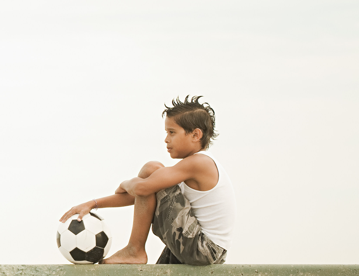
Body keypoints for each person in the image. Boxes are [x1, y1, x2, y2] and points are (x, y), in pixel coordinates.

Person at [59, 96, 236, 265]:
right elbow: (141, 196)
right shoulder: (186, 169)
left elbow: (142, 189)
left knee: (152, 168)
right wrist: (92, 204)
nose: (166, 139)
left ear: (196, 135)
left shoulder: (200, 163)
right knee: (153, 174)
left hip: (203, 249)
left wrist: (126, 184)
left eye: (172, 132)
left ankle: (135, 249)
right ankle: (135, 250)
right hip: (200, 247)